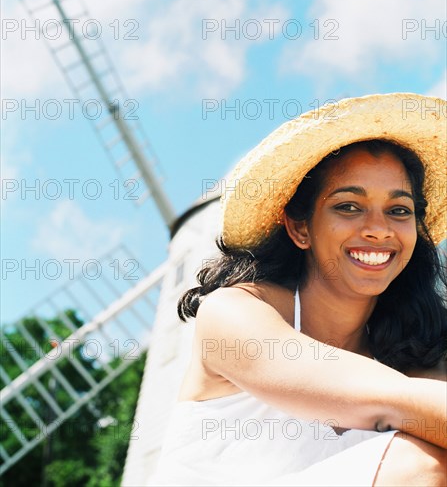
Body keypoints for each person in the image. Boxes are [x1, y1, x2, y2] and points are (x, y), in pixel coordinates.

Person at [147, 93, 446, 486]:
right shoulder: (233, 314)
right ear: (300, 227)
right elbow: (404, 403)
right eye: (349, 206)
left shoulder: (415, 348)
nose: (378, 228)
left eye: (399, 210)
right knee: (422, 463)